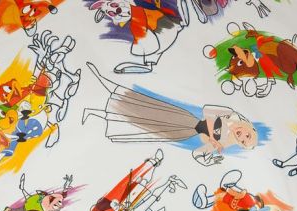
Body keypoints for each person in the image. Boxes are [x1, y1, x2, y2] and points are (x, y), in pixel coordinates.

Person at [83, 63, 258, 166]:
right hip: (185, 119)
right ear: (249, 127)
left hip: (183, 131)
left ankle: (94, 112)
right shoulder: (229, 114)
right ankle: (103, 81)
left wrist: (207, 159)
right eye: (247, 135)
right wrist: (213, 137)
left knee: (141, 122)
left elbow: (198, 153)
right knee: (143, 105)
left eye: (243, 142)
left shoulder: (224, 143)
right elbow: (207, 110)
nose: (242, 137)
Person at [0, 174, 73, 211]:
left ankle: (10, 207)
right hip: (35, 205)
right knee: (23, 208)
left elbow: (63, 195)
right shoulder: (45, 210)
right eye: (58, 204)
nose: (59, 205)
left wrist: (66, 188)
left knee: (23, 206)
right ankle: (10, 207)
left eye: (59, 203)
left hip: (37, 203)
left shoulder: (50, 205)